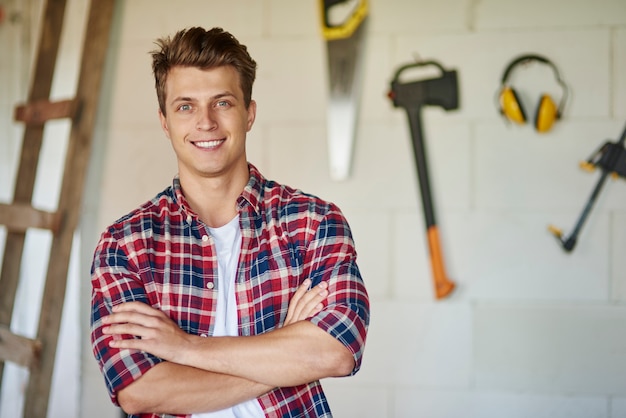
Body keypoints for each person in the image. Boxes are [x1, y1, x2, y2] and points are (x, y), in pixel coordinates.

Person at [90, 26, 370, 418]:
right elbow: (141, 391)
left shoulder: (313, 223)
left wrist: (185, 347)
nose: (205, 122)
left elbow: (336, 351)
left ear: (249, 113)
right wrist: (284, 353)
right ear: (165, 121)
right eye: (185, 106)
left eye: (222, 103)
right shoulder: (125, 245)